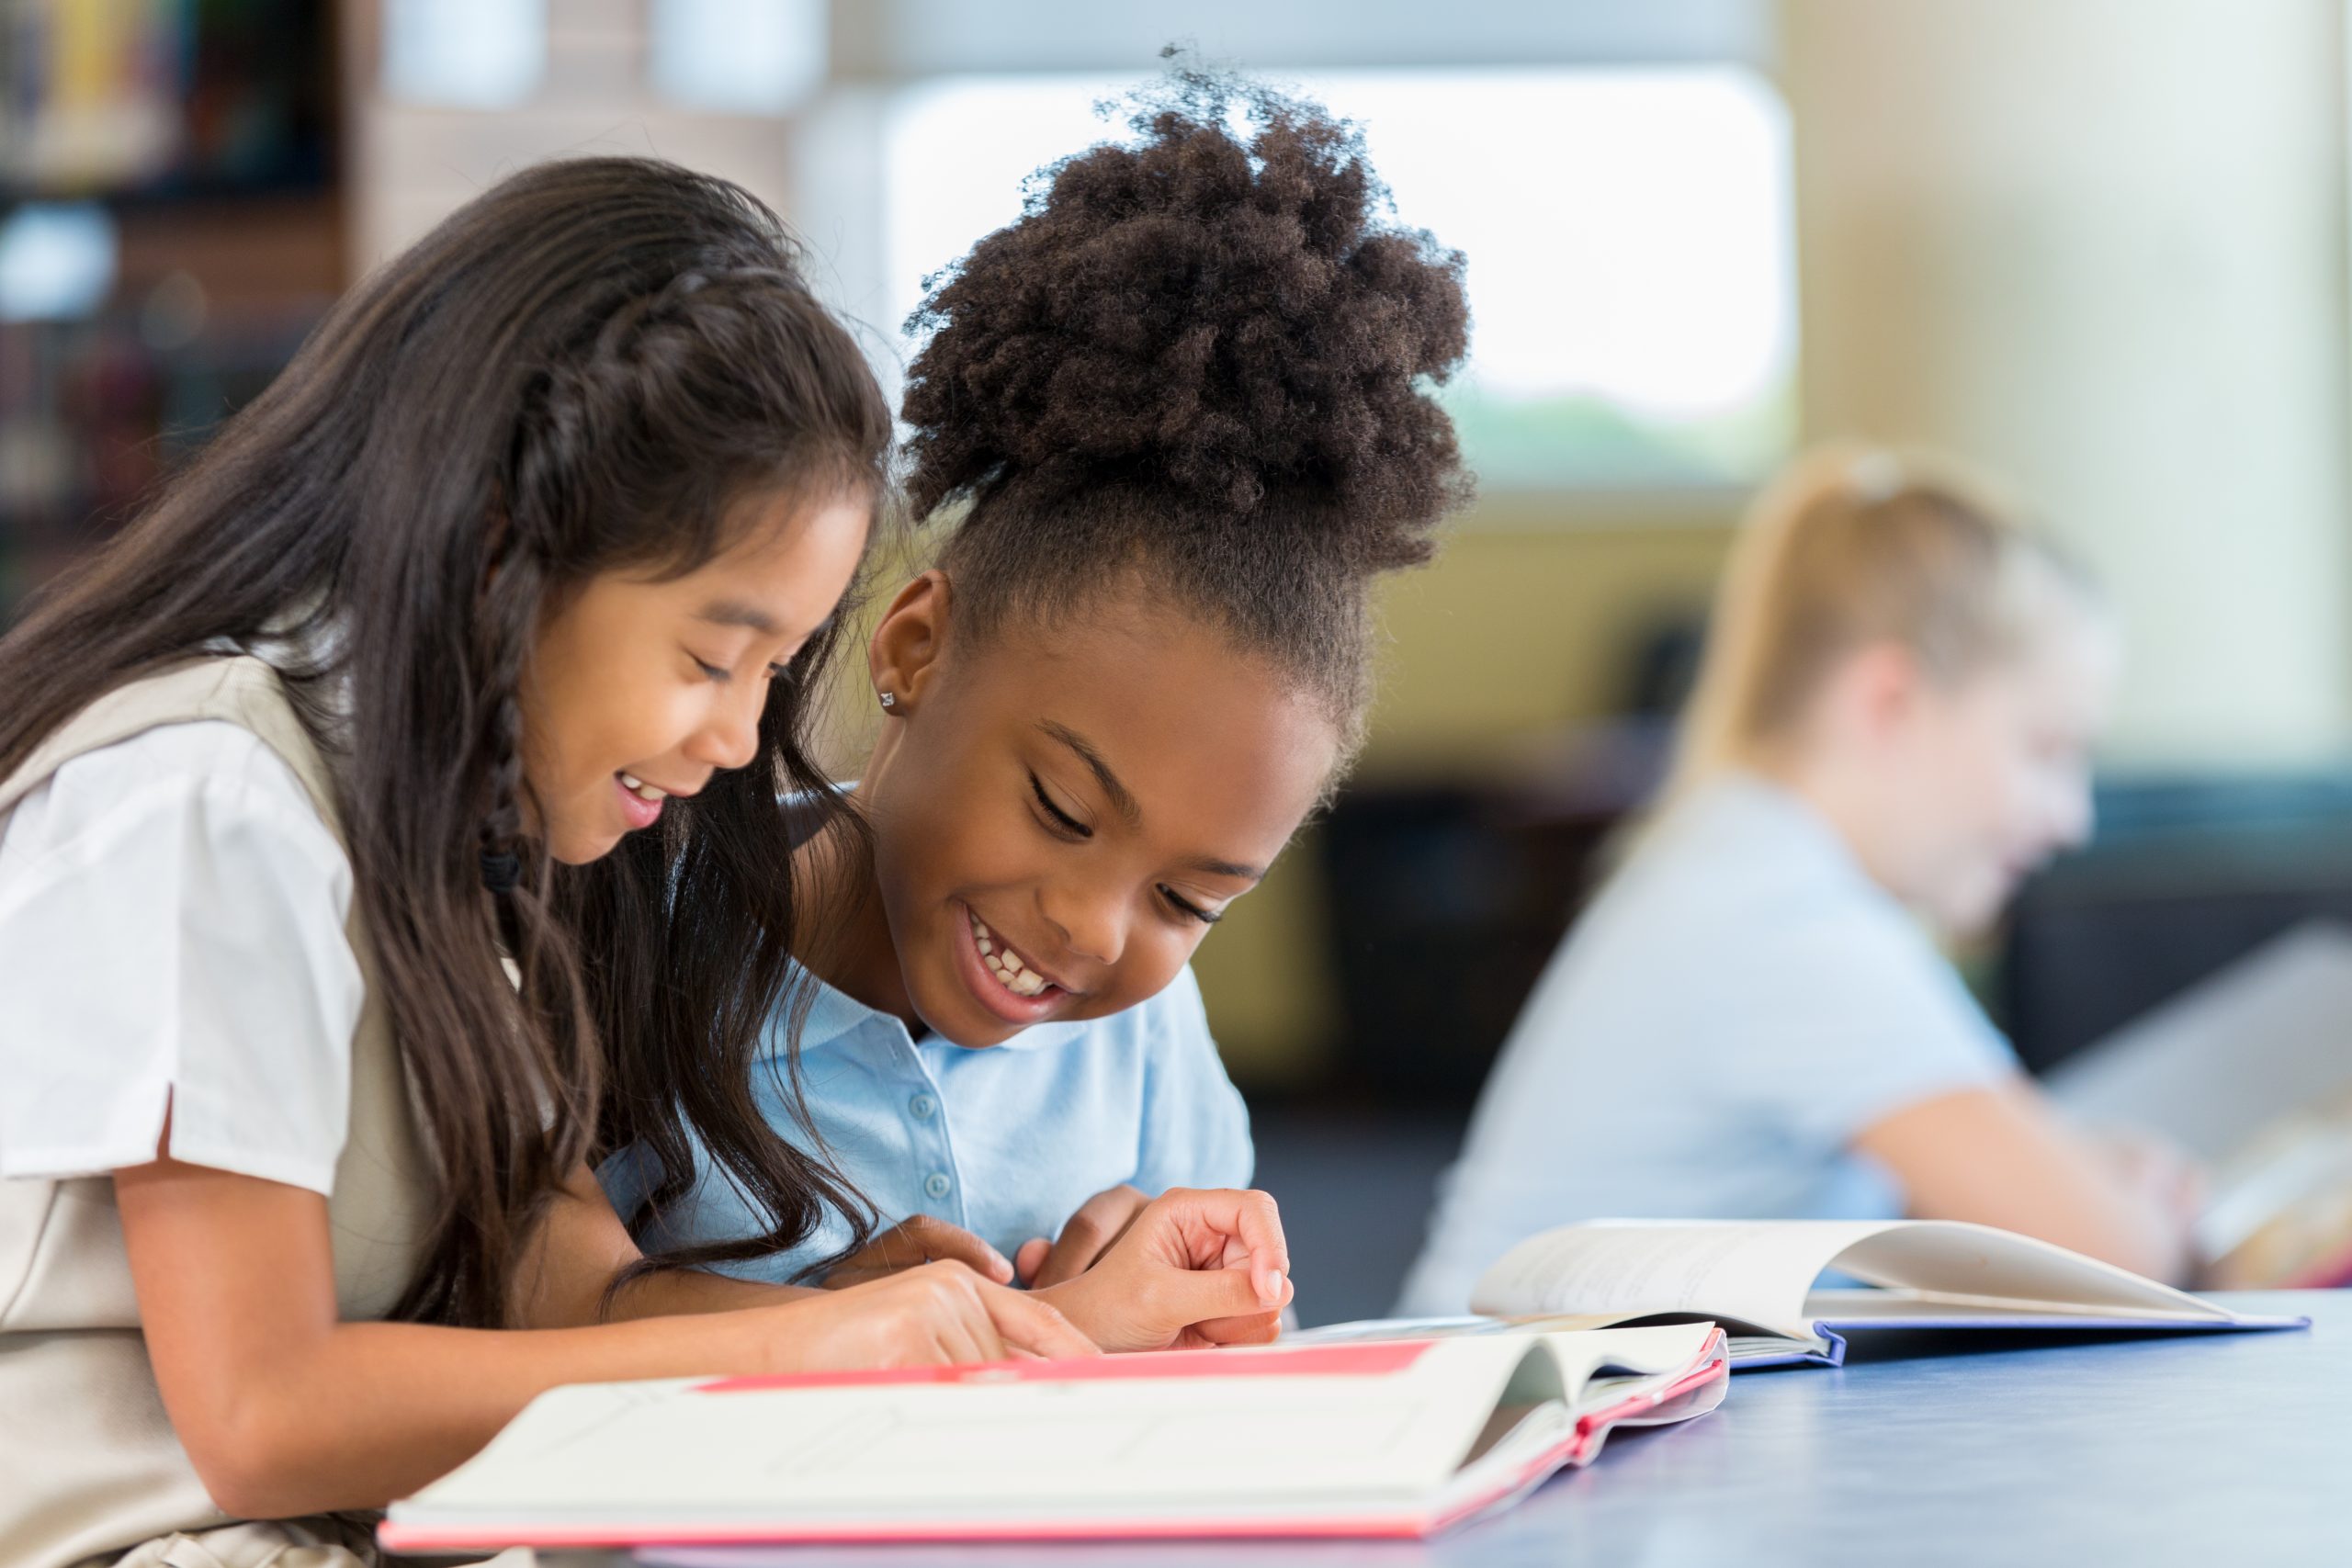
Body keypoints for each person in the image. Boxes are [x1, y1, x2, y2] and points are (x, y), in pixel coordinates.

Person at [0, 157, 1258, 1568]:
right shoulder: (212, 799)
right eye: (715, 656)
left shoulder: (463, 846)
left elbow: (577, 1304)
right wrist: (819, 1344)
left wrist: (885, 1324)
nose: (736, 738)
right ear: (504, 552)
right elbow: (260, 1410)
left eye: (773, 672)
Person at [607, 72, 1475, 1347]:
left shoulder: (1145, 1038)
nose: (1090, 924)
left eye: (1189, 901)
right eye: (1064, 808)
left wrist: (1203, 1326)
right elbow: (541, 1318)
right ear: (915, 647)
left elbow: (1231, 1385)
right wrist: (838, 1323)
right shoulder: (643, 933)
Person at [1397, 446, 2201, 1316]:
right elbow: (2118, 1262)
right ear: (1890, 701)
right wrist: (2149, 1199)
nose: (2071, 817)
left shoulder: (1741, 856)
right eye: (2044, 750)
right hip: (1491, 1432)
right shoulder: (1783, 918)